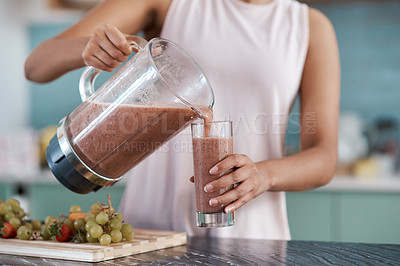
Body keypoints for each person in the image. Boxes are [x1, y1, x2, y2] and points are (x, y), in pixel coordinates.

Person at [25, 0, 340, 239]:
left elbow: (324, 159)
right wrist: (90, 48)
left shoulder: (309, 26)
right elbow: (36, 64)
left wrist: (263, 175)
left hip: (254, 238)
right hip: (150, 232)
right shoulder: (171, 4)